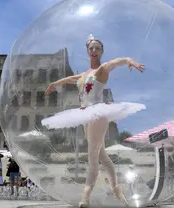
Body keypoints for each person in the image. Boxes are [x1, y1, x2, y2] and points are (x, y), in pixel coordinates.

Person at [42, 34, 145, 208]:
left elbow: (116, 62)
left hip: (97, 114)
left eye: (98, 48)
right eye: (91, 48)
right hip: (84, 115)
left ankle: (85, 197)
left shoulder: (102, 69)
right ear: (87, 51)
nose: (94, 50)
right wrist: (54, 84)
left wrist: (129, 60)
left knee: (92, 157)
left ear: (102, 51)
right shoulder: (84, 74)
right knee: (102, 156)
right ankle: (116, 189)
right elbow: (70, 80)